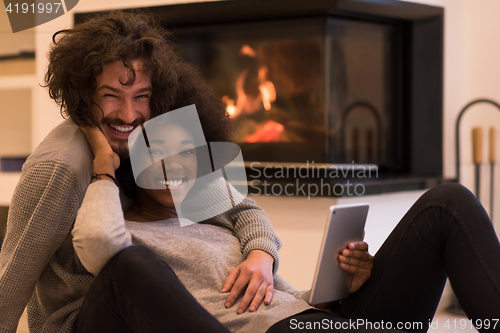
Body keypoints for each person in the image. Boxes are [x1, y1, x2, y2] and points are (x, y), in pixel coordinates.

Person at [73, 105, 500, 333]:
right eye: (156, 153)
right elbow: (99, 241)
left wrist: (334, 291)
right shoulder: (125, 235)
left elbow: (276, 296)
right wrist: (103, 164)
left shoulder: (205, 207)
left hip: (316, 317)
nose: (173, 167)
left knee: (447, 202)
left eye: (185, 152)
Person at [0, 12, 282, 333]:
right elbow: (11, 278)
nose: (128, 113)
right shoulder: (60, 167)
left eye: (141, 96)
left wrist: (261, 253)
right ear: (81, 92)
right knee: (132, 263)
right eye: (110, 95)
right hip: (88, 319)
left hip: (141, 312)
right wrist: (104, 167)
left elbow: (239, 206)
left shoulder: (146, 135)